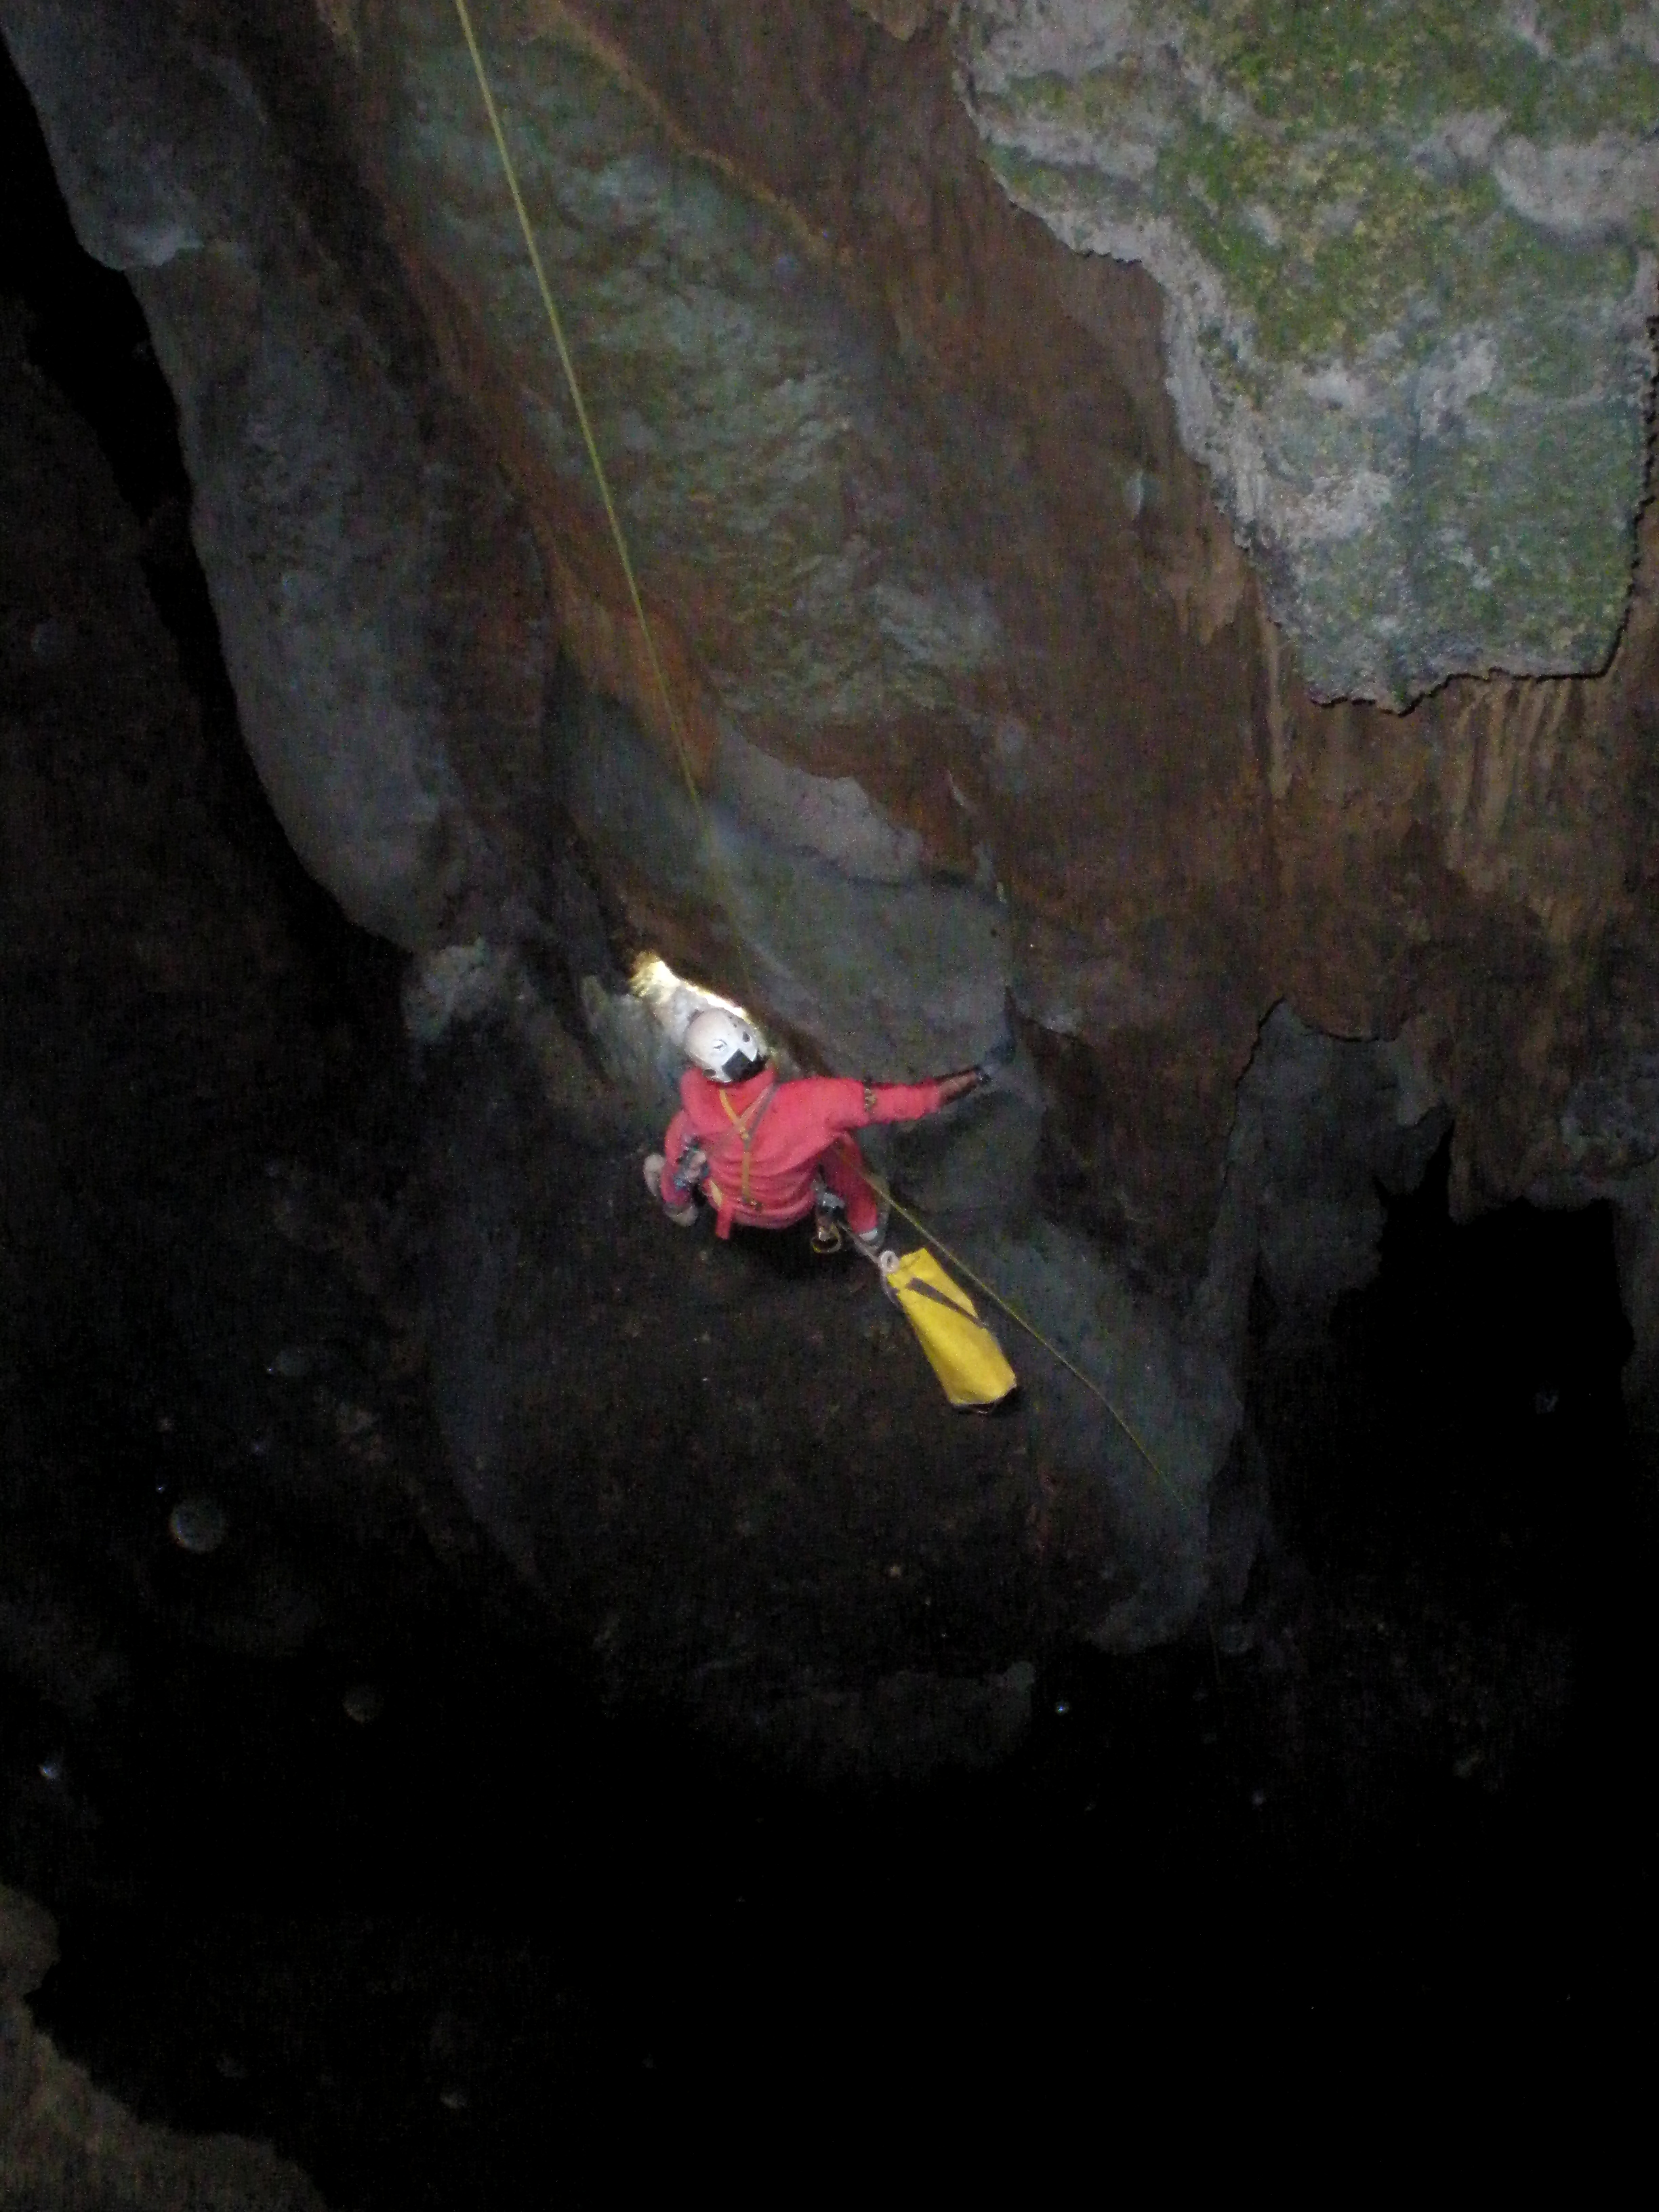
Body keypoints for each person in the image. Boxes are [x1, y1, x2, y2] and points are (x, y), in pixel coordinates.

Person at [643, 1008, 991, 1252]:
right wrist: (977, 1076)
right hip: (790, 1208)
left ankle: (677, 1205)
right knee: (840, 1147)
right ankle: (866, 1229)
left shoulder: (697, 1097)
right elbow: (909, 1102)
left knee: (681, 1136)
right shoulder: (817, 1103)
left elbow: (689, 1123)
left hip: (729, 1205)